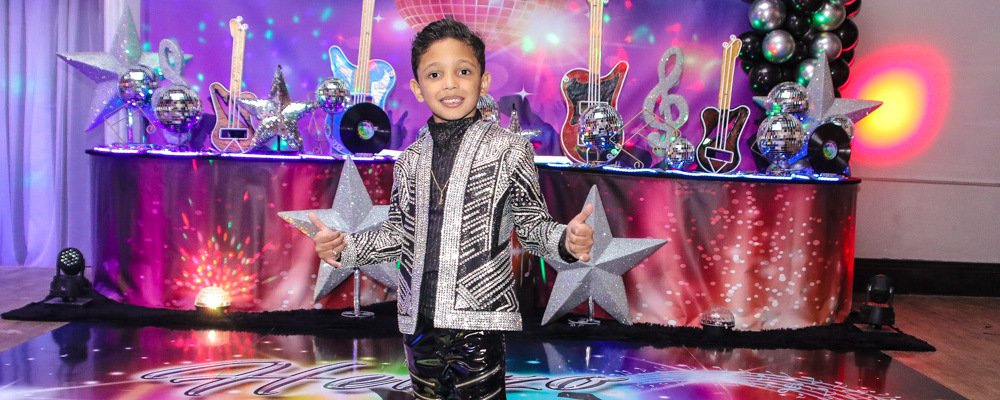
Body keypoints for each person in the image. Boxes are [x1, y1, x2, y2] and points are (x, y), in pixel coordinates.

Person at [309, 18, 595, 400]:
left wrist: (565, 241)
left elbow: (531, 225)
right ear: (417, 88)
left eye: (463, 71)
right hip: (417, 321)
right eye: (434, 74)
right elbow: (396, 234)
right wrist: (345, 247)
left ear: (483, 81)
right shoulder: (409, 160)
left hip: (479, 321)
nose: (450, 84)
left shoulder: (509, 150)